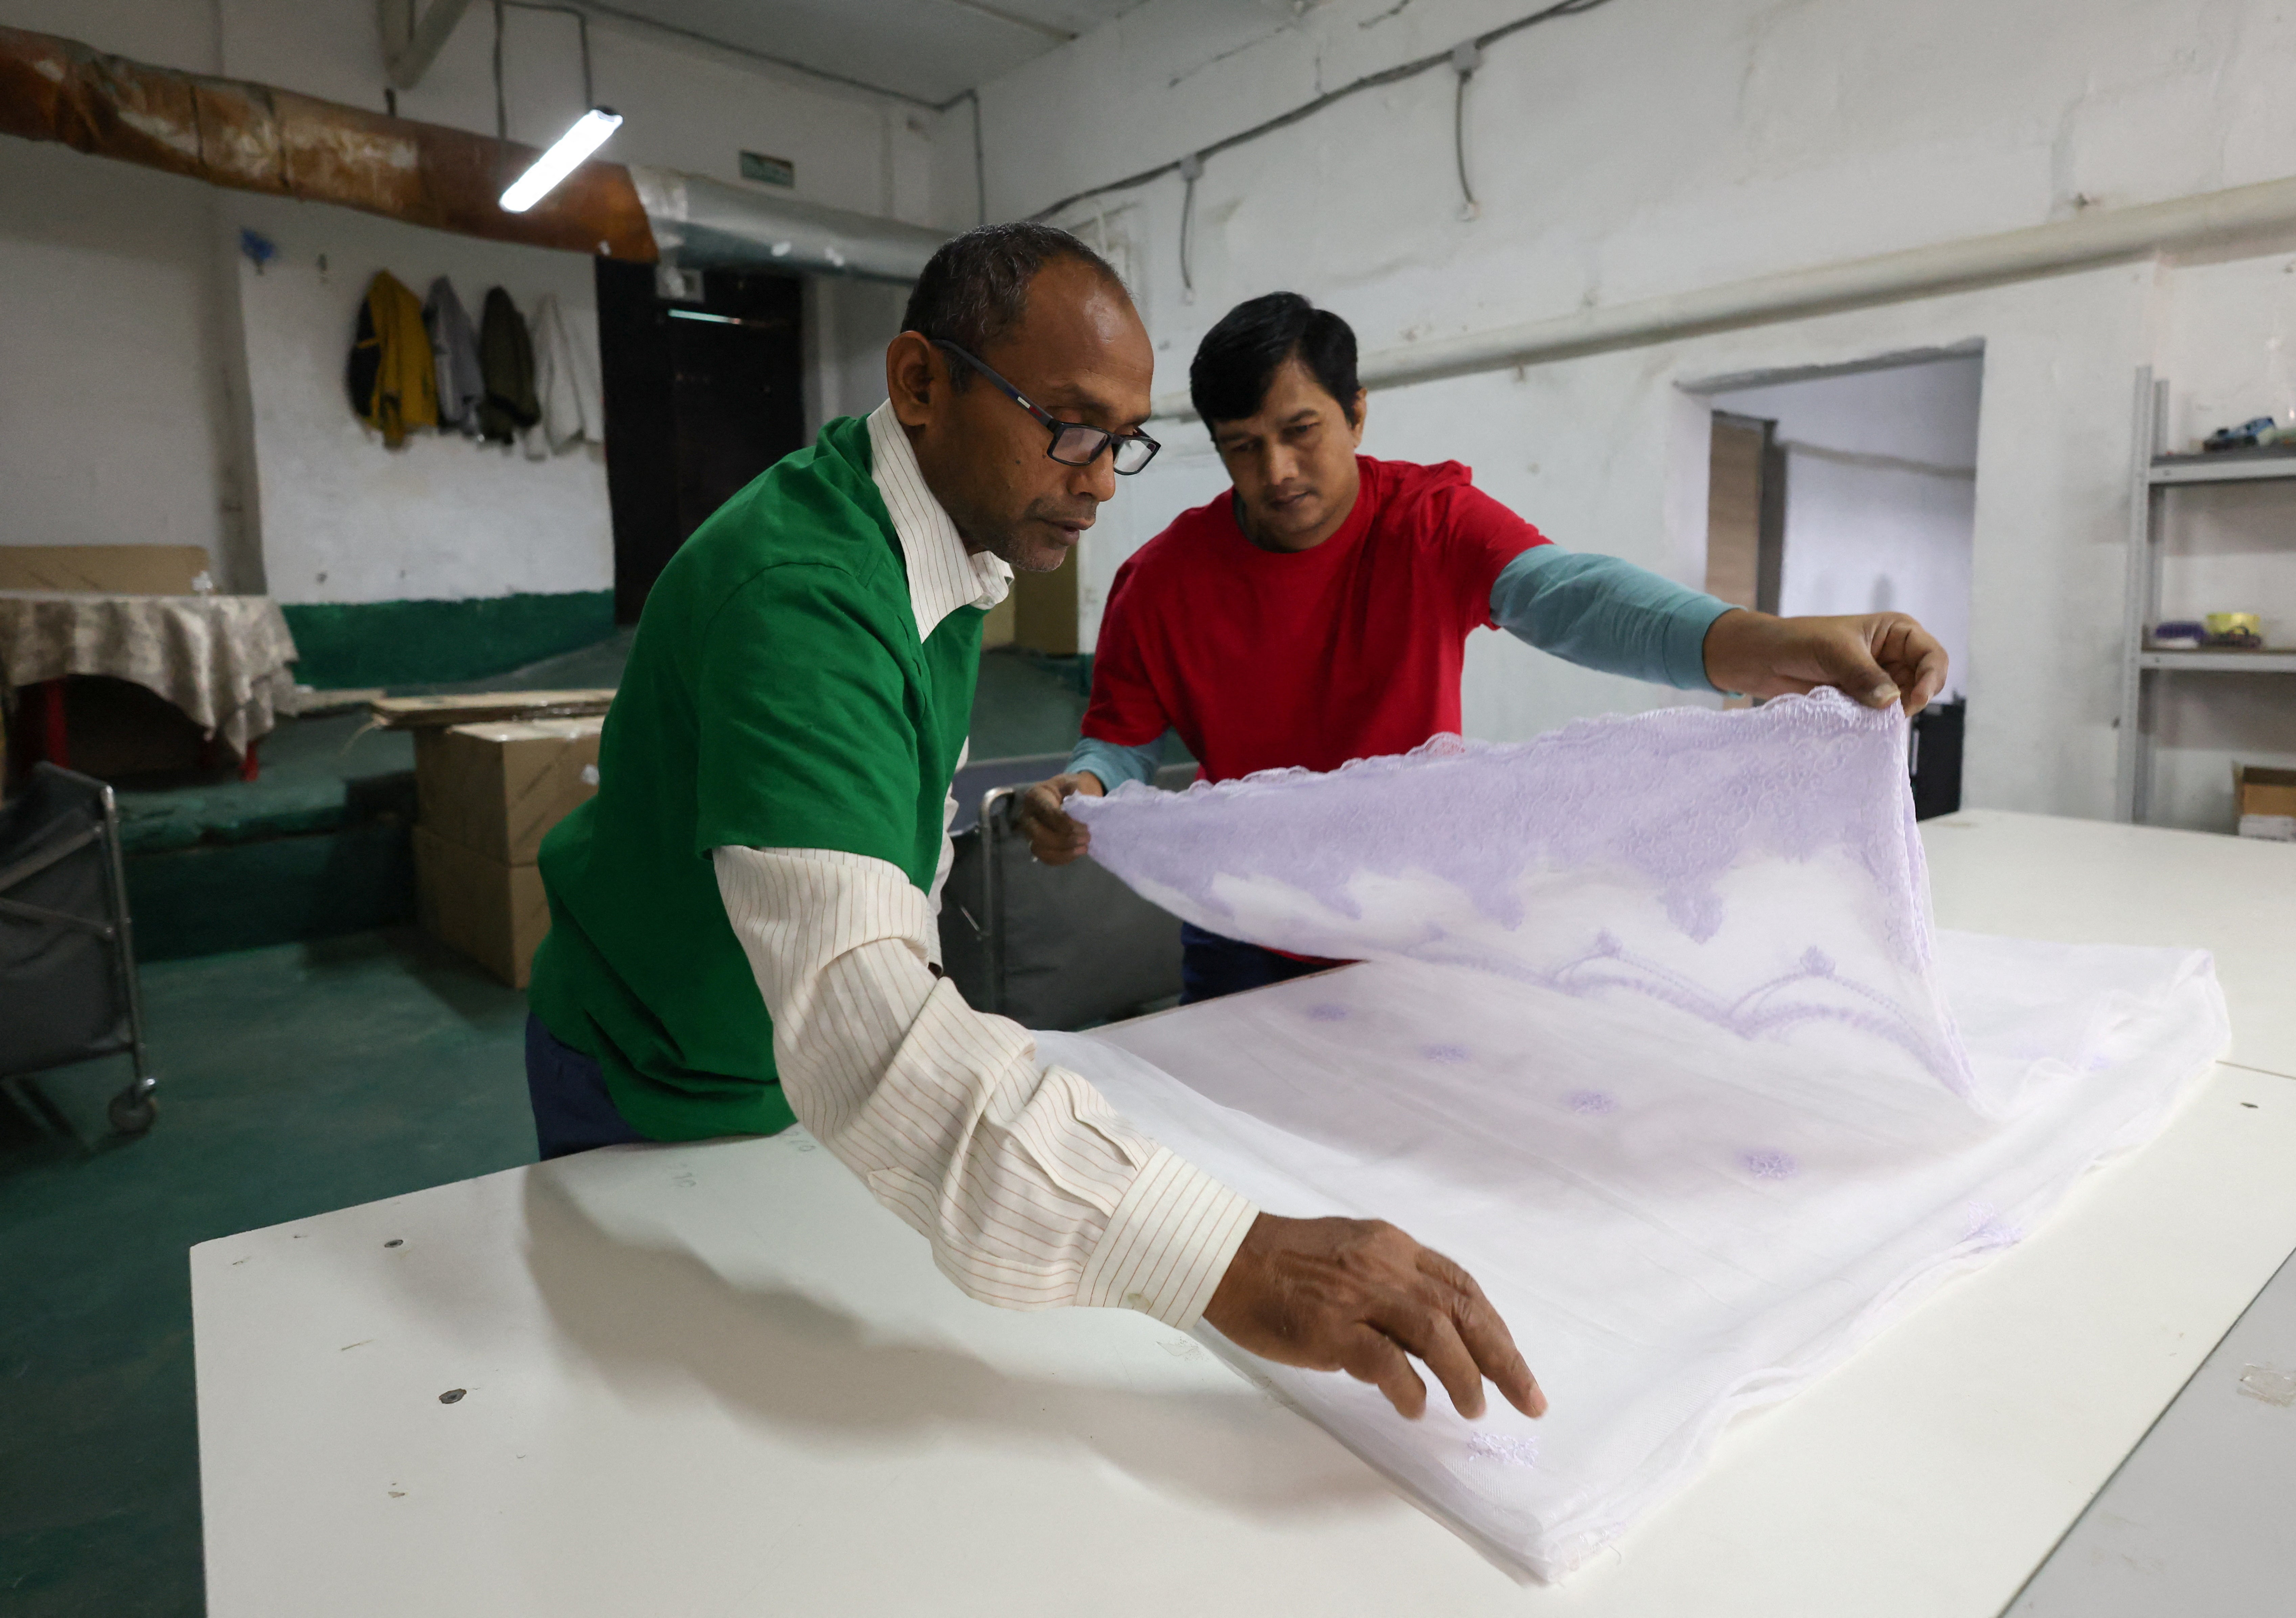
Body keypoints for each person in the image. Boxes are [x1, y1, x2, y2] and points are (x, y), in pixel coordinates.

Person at [525, 227, 1544, 1427]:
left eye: (1122, 442)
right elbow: (862, 1026)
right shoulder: (803, 600)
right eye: (1068, 426)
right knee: (680, 1420)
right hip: (664, 1081)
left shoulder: (953, 558)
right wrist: (1231, 1258)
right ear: (920, 383)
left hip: (782, 1074)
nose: (1102, 479)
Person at [1020, 292, 1950, 1001]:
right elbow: (1123, 739)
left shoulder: (1426, 524)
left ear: (1355, 413)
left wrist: (1784, 644)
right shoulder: (1164, 580)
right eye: (1241, 448)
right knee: (1244, 1163)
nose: (1277, 473)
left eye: (1299, 432)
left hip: (1421, 914)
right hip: (1240, 917)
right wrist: (1088, 790)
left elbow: (1578, 600)